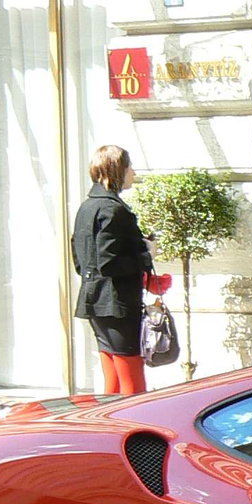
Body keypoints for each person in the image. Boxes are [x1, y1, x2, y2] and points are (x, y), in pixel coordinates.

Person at [72, 144, 154, 395]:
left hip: (95, 300)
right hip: (117, 304)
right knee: (131, 377)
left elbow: (80, 260)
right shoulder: (113, 209)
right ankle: (134, 428)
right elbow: (110, 262)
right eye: (129, 167)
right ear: (118, 170)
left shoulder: (87, 207)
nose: (133, 172)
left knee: (113, 374)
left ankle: (110, 427)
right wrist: (145, 254)